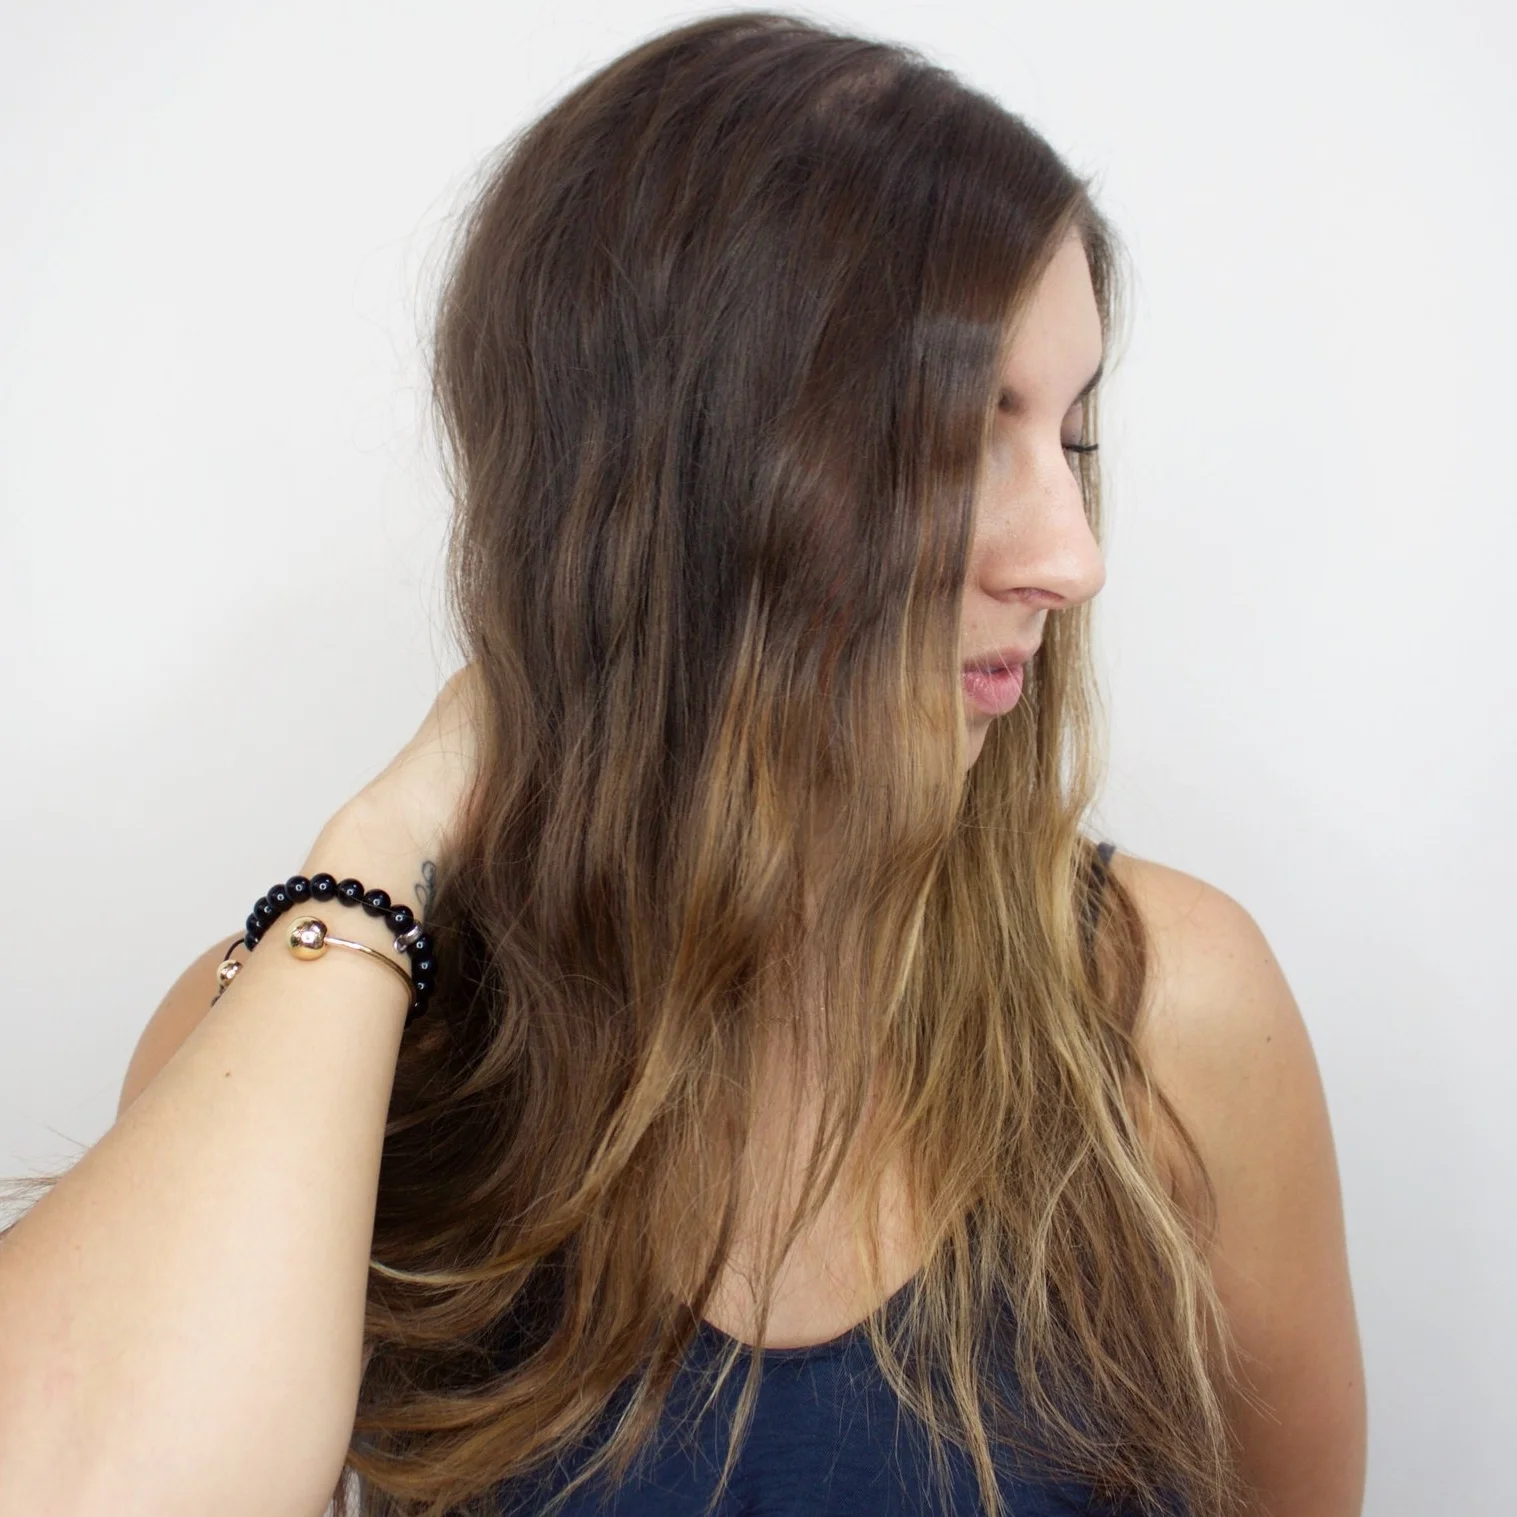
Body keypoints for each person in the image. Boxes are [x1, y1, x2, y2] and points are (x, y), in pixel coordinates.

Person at [0, 11, 1366, 1517]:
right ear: (674, 482)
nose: (1071, 557)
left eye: (1073, 439)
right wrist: (386, 837)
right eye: (960, 434)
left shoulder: (1163, 1008)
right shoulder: (319, 1021)